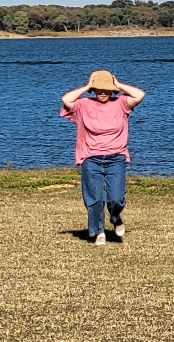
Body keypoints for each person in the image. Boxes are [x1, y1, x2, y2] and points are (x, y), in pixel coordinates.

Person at [60, 70, 144, 245]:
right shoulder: (83, 105)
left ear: (112, 90)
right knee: (95, 198)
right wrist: (87, 86)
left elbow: (139, 95)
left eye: (107, 89)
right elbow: (66, 99)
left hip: (116, 158)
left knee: (116, 197)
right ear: (94, 90)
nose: (103, 92)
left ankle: (115, 217)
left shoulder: (121, 103)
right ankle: (98, 232)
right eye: (99, 89)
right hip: (91, 158)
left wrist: (118, 84)